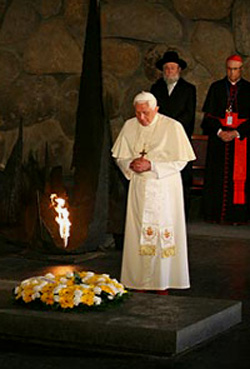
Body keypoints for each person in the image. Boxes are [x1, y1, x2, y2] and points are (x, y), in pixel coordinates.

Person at [111, 91, 195, 294]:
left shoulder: (172, 127)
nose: (141, 118)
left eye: (146, 113)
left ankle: (162, 282)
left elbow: (181, 160)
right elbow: (119, 156)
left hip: (165, 188)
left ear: (156, 109)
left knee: (162, 234)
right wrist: (130, 164)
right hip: (139, 189)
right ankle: (138, 281)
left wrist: (152, 165)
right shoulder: (130, 126)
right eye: (138, 113)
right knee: (138, 232)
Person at [201, 54, 250, 224]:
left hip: (241, 142)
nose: (232, 73)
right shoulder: (216, 88)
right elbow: (207, 118)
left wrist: (236, 133)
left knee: (240, 180)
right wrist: (220, 131)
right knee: (217, 177)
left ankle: (237, 217)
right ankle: (215, 215)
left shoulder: (249, 89)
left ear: (241, 69)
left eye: (235, 69)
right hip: (219, 142)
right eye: (229, 69)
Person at [150, 51, 196, 220]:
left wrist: (170, 128)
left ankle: (181, 213)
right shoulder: (156, 88)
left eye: (172, 68)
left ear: (179, 70)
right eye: (166, 68)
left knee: (181, 177)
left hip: (179, 138)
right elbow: (152, 112)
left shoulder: (189, 89)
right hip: (159, 140)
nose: (169, 71)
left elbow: (188, 115)